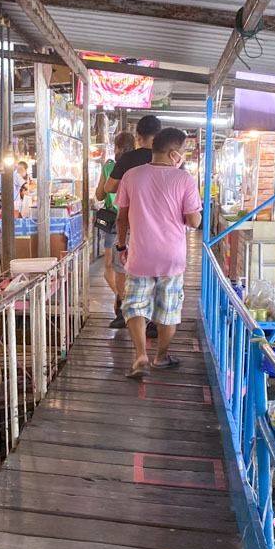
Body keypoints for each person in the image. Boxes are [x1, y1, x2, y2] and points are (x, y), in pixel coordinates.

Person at [115, 128, 201, 378]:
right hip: (171, 258)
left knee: (134, 306)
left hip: (140, 255)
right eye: (183, 151)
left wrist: (122, 246)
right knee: (168, 310)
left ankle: (140, 355)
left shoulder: (131, 176)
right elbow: (194, 222)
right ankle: (160, 357)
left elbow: (121, 218)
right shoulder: (184, 179)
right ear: (175, 153)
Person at [105, 115, 161, 330]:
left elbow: (109, 188)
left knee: (122, 267)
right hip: (159, 226)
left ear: (138, 136)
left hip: (130, 221)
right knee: (156, 270)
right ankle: (154, 319)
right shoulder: (167, 159)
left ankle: (122, 312)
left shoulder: (128, 160)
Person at [96, 131, 135, 324]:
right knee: (132, 266)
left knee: (110, 268)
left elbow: (99, 195)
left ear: (117, 148)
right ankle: (127, 299)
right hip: (136, 222)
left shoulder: (109, 168)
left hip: (115, 222)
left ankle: (120, 298)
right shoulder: (139, 167)